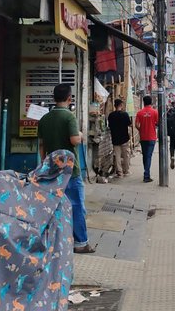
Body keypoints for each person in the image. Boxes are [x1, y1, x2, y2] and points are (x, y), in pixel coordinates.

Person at [38, 83, 95, 253]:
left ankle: (55, 241)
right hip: (70, 171)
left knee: (54, 206)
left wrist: (44, 163)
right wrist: (81, 135)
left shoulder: (44, 119)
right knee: (77, 206)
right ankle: (81, 243)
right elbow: (74, 140)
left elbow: (41, 145)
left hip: (51, 169)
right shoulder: (69, 117)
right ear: (69, 98)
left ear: (53, 98)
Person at [135, 95, 158, 183]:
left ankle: (146, 172)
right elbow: (158, 123)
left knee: (145, 155)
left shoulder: (140, 113)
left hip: (143, 137)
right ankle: (146, 175)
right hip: (152, 137)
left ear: (143, 102)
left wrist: (141, 129)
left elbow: (136, 125)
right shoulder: (155, 112)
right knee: (148, 156)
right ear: (151, 102)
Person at [108, 98, 132, 177]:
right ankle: (126, 171)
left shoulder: (111, 115)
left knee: (117, 156)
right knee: (126, 155)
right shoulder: (125, 114)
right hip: (124, 138)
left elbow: (109, 126)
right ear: (121, 105)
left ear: (114, 106)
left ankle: (119, 172)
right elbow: (129, 124)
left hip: (115, 138)